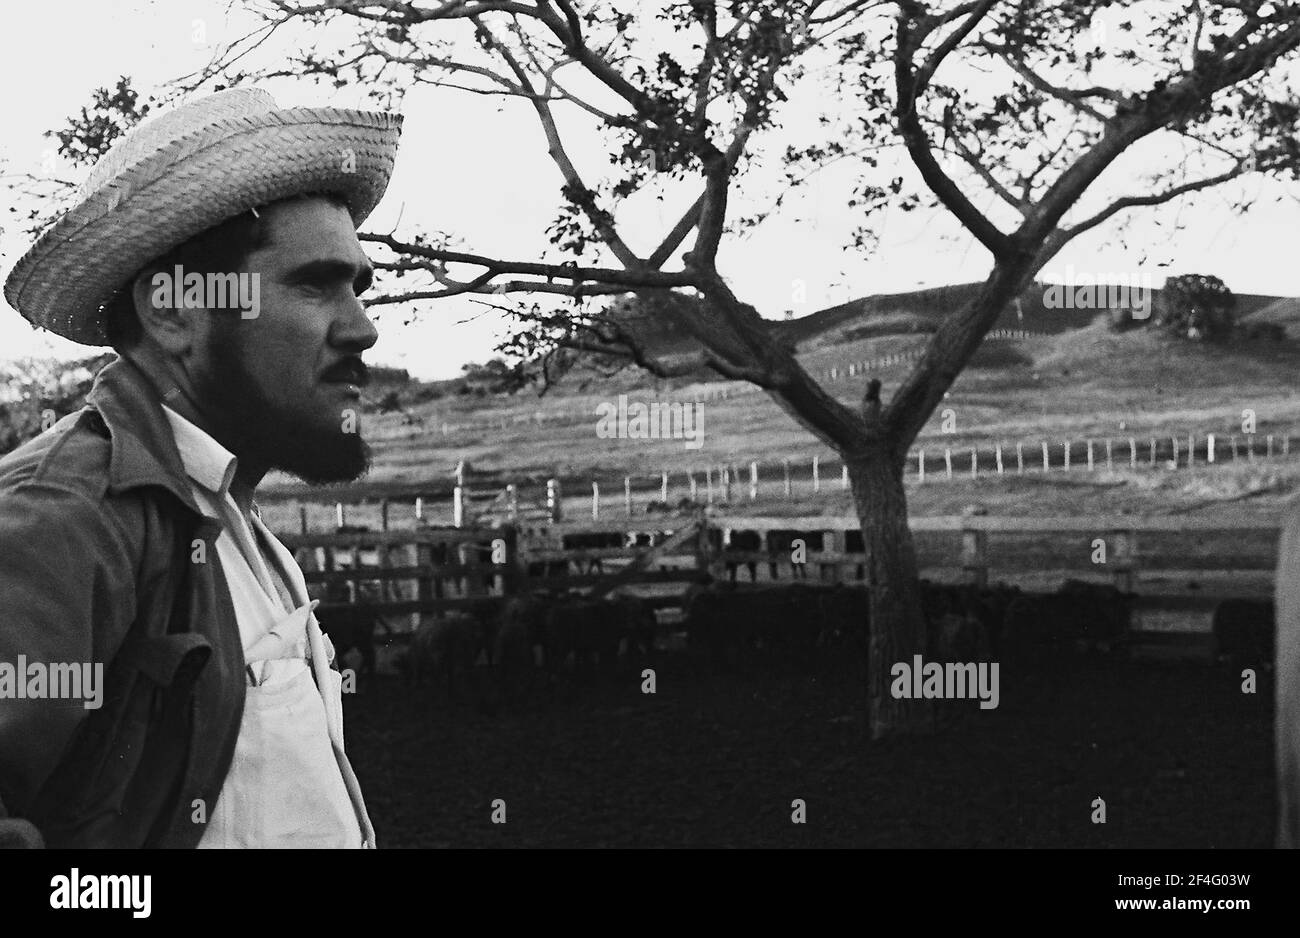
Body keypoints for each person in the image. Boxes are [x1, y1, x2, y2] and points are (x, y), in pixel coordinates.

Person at [0, 86, 403, 847]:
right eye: (315, 283)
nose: (363, 327)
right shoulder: (64, 520)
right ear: (174, 310)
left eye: (358, 287)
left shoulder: (235, 519)